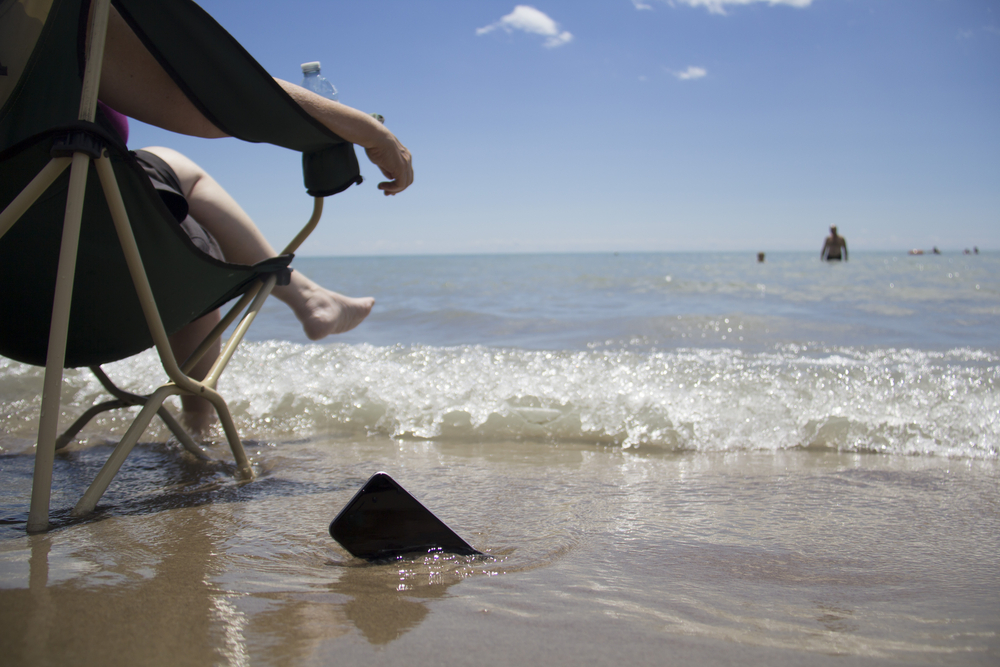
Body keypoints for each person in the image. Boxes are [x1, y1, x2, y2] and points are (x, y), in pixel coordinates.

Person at [95, 6, 414, 431]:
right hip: (91, 280)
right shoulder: (52, 19)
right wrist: (370, 131)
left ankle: (306, 297)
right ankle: (199, 422)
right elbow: (214, 94)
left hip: (22, 303)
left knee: (167, 170)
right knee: (180, 228)